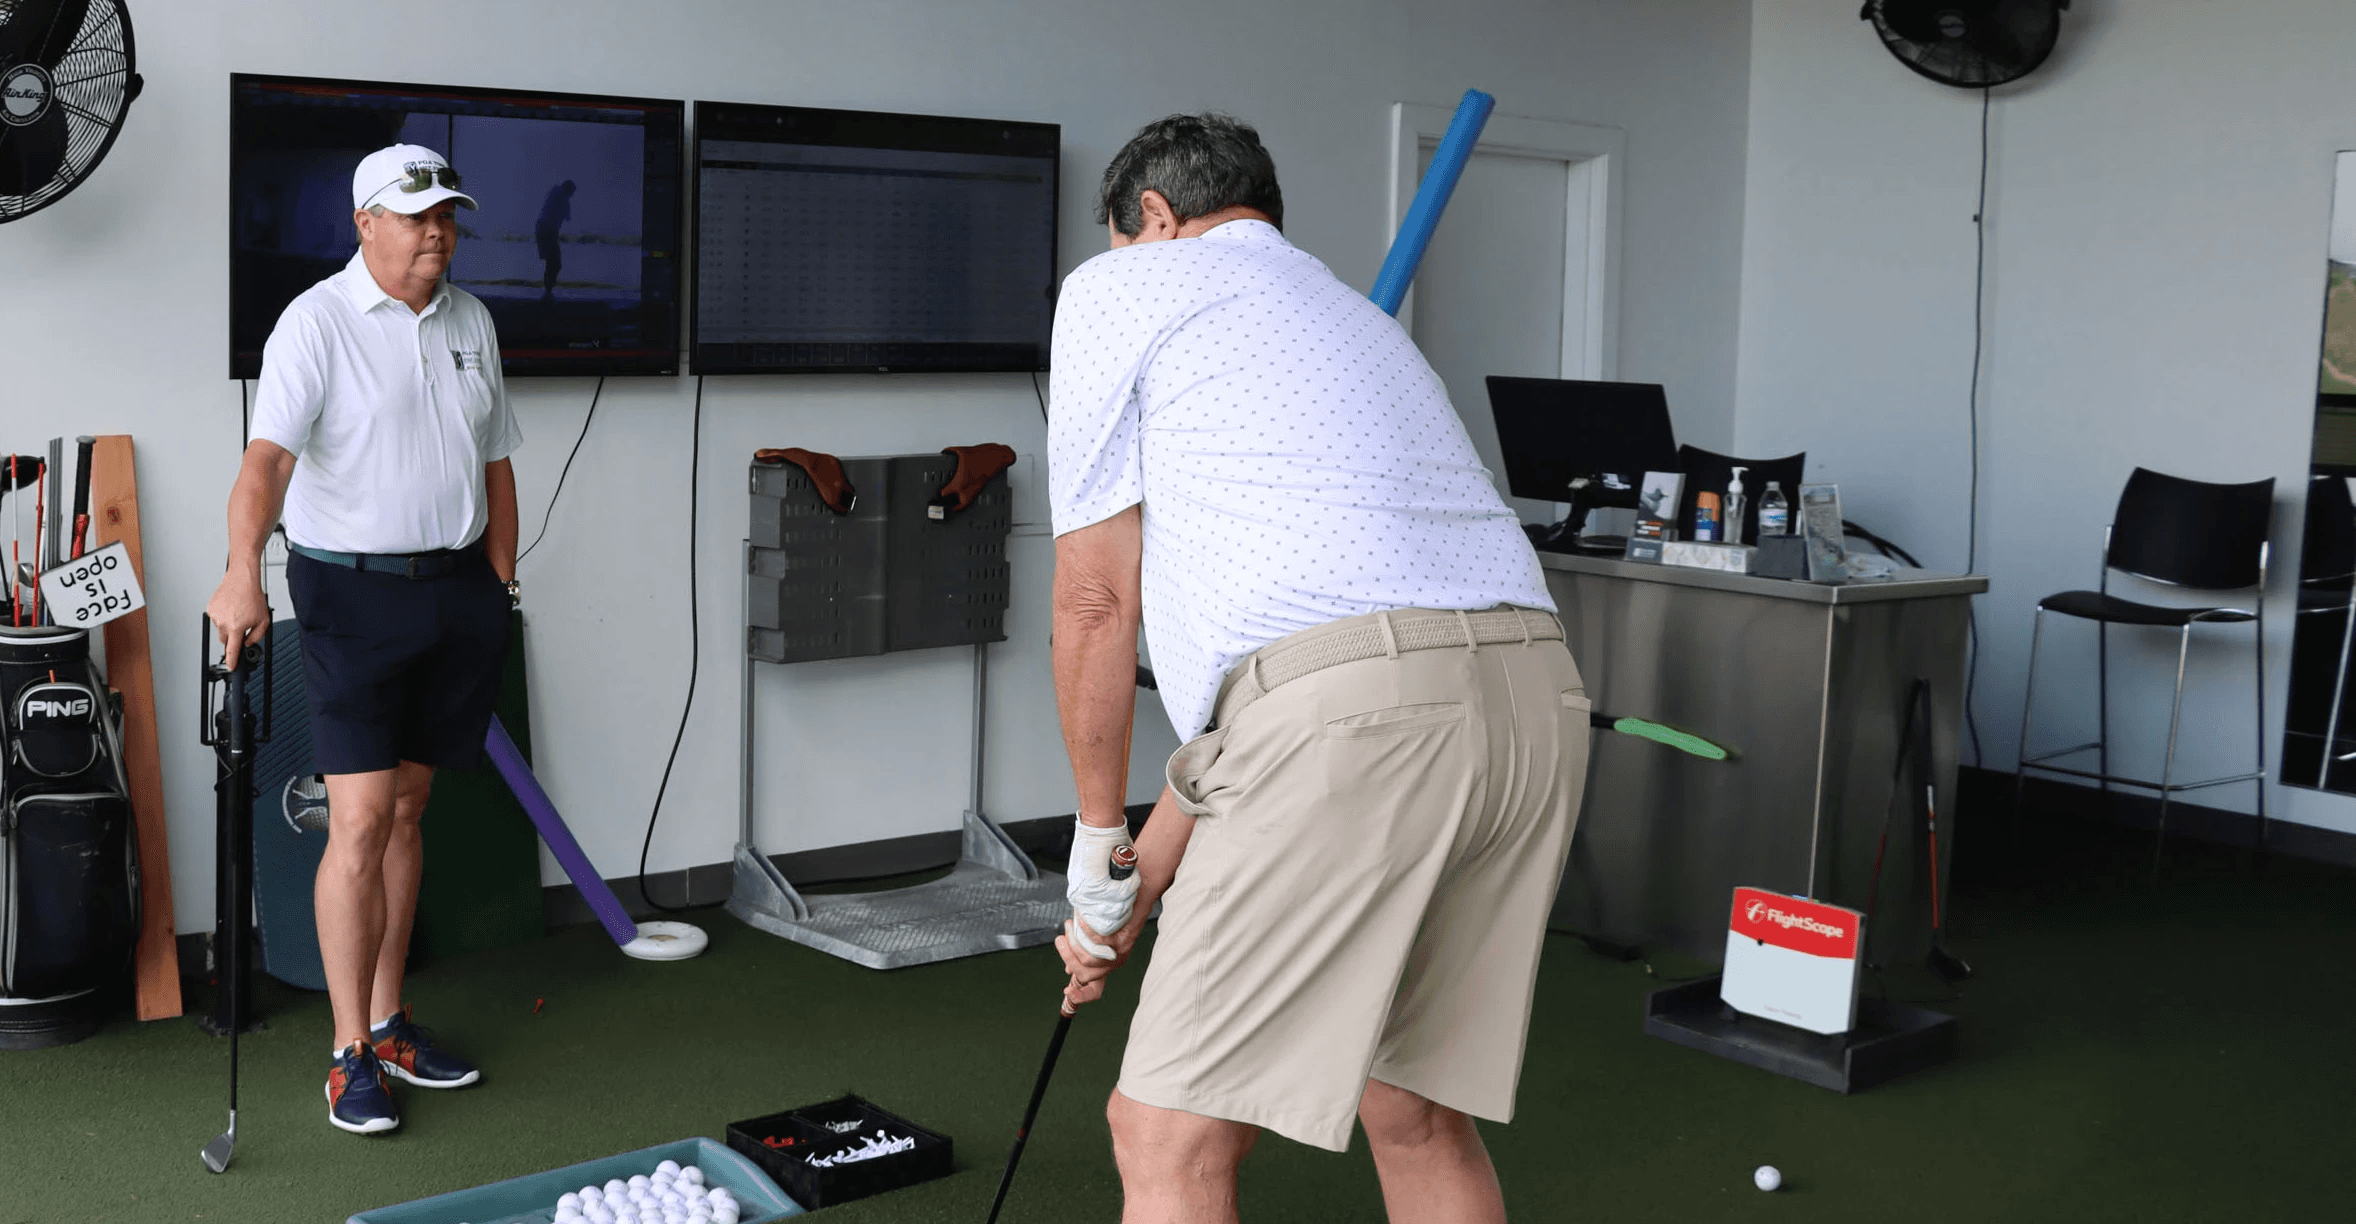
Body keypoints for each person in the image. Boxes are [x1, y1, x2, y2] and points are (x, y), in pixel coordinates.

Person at [1048, 114, 1589, 1224]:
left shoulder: (1121, 287)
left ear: (1153, 216)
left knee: (1166, 1135)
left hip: (1352, 726)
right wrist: (1137, 878)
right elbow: (1279, 693)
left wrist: (1096, 836)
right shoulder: (1350, 315)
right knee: (1412, 1103)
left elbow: (1098, 601)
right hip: (1533, 703)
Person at [206, 143, 521, 1136]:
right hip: (350, 595)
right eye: (417, 216)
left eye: (447, 215)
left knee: (410, 809)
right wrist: (241, 570)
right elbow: (265, 464)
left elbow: (497, 458)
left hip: (457, 591)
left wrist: (499, 578)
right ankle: (348, 1054)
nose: (438, 233)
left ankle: (389, 1024)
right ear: (365, 224)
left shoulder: (472, 321)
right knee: (360, 820)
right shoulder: (317, 322)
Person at [536, 179, 575, 301]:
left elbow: (566, 216)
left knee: (552, 263)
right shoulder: (560, 196)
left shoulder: (557, 194)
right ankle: (548, 293)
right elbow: (568, 216)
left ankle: (548, 292)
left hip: (546, 230)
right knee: (554, 263)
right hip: (547, 231)